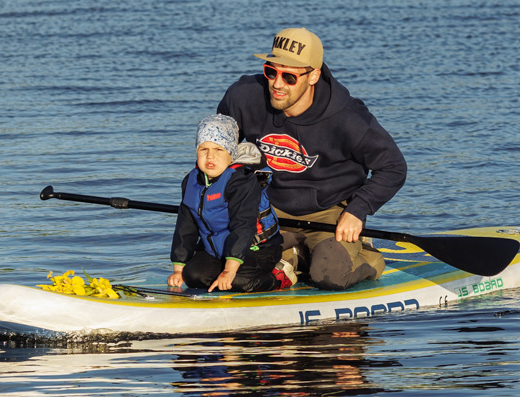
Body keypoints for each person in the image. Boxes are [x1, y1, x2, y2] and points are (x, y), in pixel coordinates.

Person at [217, 27, 407, 291]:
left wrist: (357, 210)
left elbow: (393, 168)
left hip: (330, 214)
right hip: (270, 211)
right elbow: (220, 150)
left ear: (314, 75)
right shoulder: (242, 97)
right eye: (271, 71)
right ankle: (296, 257)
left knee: (328, 276)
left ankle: (368, 257)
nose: (277, 83)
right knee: (229, 263)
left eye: (289, 76)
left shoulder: (349, 118)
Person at [168, 115, 295, 293]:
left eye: (219, 149)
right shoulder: (190, 181)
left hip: (257, 248)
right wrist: (178, 269)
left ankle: (279, 276)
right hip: (216, 249)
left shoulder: (241, 182)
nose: (210, 156)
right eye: (203, 149)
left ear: (231, 154)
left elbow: (243, 227)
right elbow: (185, 226)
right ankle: (227, 270)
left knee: (238, 282)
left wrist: (229, 270)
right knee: (194, 276)